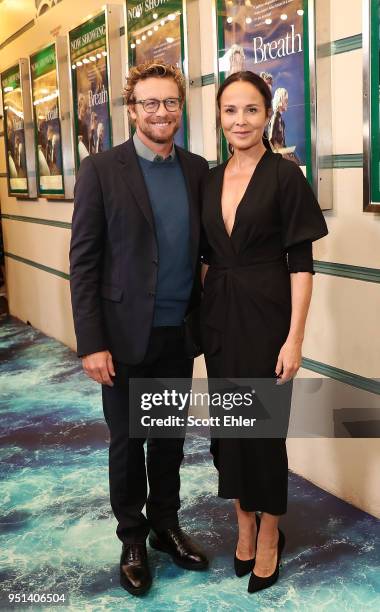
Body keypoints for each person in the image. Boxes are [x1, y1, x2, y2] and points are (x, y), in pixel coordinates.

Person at [69, 61, 209, 597]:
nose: (161, 112)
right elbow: (83, 263)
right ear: (132, 109)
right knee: (128, 442)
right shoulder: (101, 169)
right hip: (123, 339)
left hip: (178, 333)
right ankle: (131, 537)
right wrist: (92, 342)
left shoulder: (197, 170)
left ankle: (165, 525)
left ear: (180, 108)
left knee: (169, 439)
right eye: (150, 103)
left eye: (170, 102)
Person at [200, 71, 328, 593]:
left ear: (267, 115)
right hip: (220, 319)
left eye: (251, 110)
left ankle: (270, 531)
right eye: (231, 110)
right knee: (229, 432)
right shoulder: (209, 179)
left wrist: (294, 338)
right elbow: (206, 256)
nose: (241, 120)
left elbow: (302, 263)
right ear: (220, 117)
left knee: (264, 432)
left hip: (269, 317)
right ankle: (244, 523)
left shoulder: (285, 175)